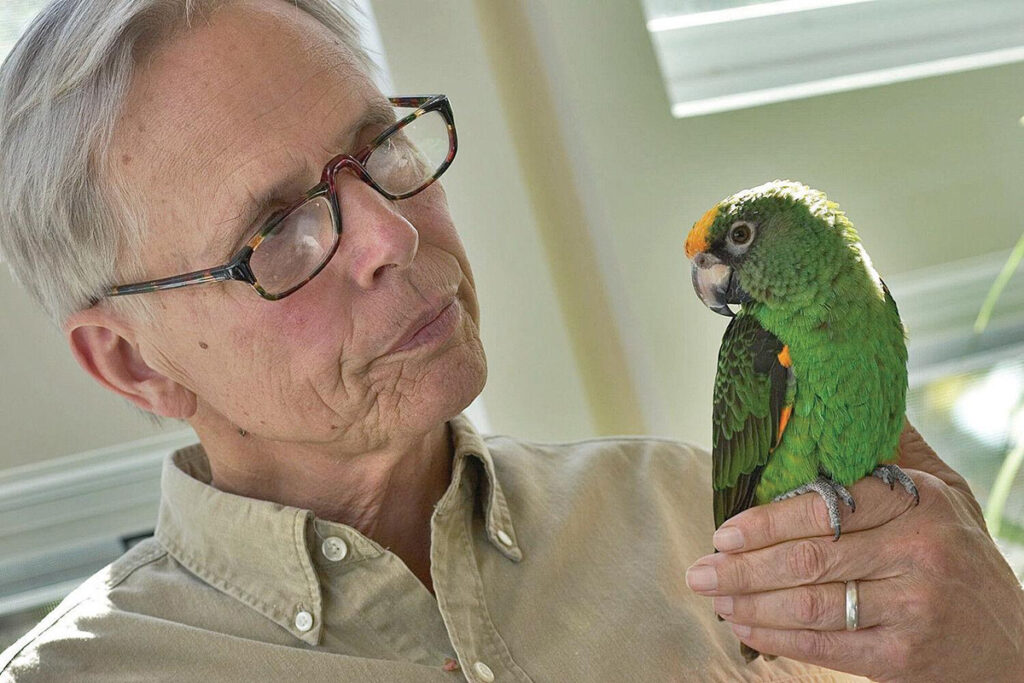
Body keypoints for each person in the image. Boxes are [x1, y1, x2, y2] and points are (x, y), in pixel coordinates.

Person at [0, 0, 1021, 680]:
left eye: (382, 148)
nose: (394, 235)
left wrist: (997, 647)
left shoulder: (710, 526)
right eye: (279, 230)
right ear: (133, 363)